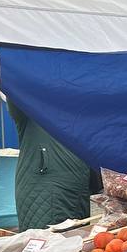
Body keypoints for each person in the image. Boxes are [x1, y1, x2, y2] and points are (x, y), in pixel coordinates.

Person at [7, 97, 94, 229]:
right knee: (47, 241)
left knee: (76, 242)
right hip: (47, 192)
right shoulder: (32, 113)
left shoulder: (78, 114)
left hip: (79, 193)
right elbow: (14, 92)